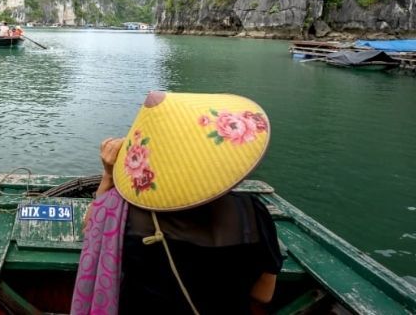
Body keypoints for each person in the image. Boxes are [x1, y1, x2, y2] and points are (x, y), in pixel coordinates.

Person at [72, 91, 283, 315]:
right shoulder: (252, 212)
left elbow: (91, 230)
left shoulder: (125, 209)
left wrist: (108, 176)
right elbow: (263, 294)